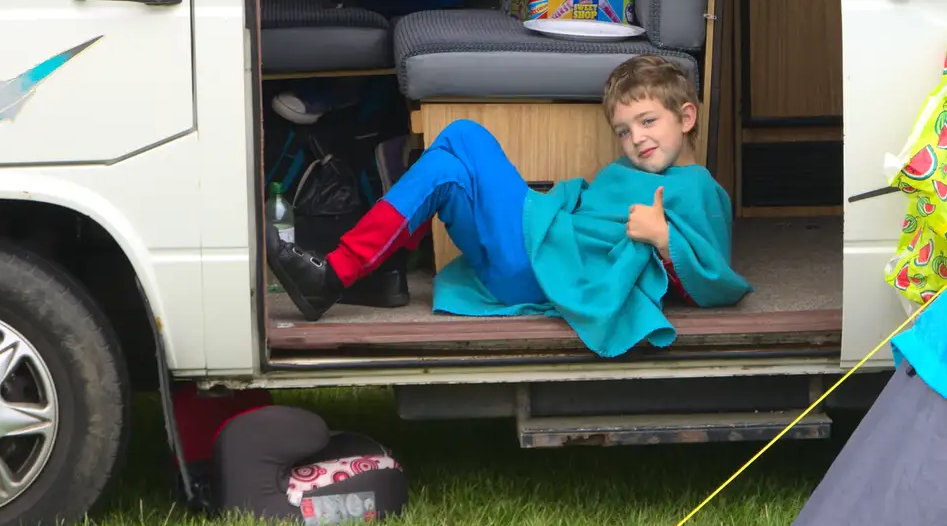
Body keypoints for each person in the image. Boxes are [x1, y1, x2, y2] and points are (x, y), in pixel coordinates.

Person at [266, 55, 750, 357]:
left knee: (463, 136)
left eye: (648, 121)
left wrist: (663, 239)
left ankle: (352, 270)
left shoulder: (697, 187)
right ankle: (345, 274)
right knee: (447, 172)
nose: (636, 139)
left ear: (687, 117)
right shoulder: (631, 174)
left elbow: (718, 282)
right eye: (624, 131)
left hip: (547, 268)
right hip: (541, 258)